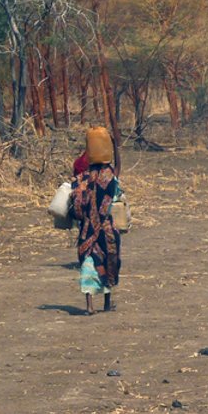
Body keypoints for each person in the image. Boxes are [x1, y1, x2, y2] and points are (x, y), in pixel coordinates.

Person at [70, 130, 123, 315]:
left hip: (87, 230)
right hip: (106, 229)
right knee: (109, 262)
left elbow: (75, 205)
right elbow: (118, 169)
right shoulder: (109, 176)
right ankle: (107, 303)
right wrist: (115, 146)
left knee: (87, 267)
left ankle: (90, 306)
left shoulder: (83, 178)